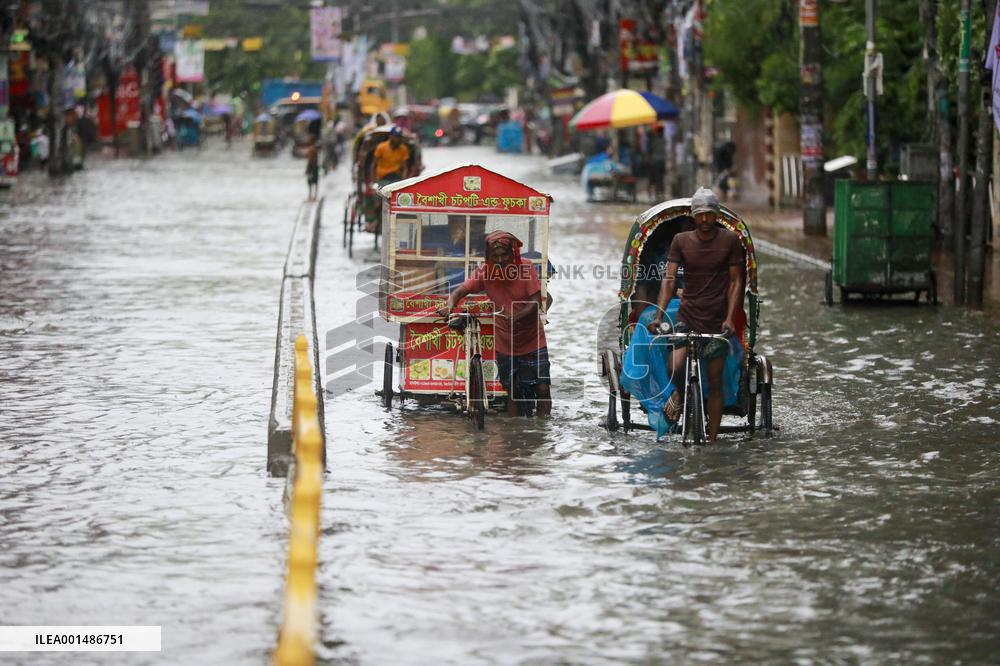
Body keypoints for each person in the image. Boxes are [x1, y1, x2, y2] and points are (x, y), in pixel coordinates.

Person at [646, 188, 744, 441]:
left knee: (714, 379)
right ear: (693, 216)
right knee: (675, 366)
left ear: (717, 215)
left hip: (717, 318)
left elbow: (736, 282)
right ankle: (679, 394)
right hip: (687, 316)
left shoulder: (730, 241)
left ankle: (711, 439)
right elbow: (669, 279)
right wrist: (658, 315)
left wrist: (730, 318)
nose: (704, 220)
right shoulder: (681, 241)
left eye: (709, 215)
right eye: (699, 215)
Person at [437, 230, 551, 417]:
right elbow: (461, 291)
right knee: (512, 393)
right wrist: (450, 305)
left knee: (543, 388)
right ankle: (515, 435)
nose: (500, 260)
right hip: (505, 342)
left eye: (504, 255)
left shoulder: (526, 268)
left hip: (532, 340)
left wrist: (517, 316)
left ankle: (544, 432)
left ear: (513, 253)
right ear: (488, 257)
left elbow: (535, 302)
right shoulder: (484, 272)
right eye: (495, 256)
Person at [365, 126, 411, 231]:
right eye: (396, 137)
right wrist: (373, 180)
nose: (397, 140)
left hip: (396, 178)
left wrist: (404, 181)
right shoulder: (381, 147)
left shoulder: (403, 149)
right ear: (391, 137)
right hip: (382, 178)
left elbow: (405, 167)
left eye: (399, 137)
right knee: (376, 198)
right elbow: (374, 164)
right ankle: (375, 220)